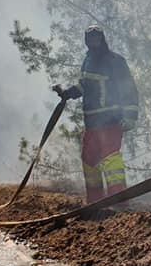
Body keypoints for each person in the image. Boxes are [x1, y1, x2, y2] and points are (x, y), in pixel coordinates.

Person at [54, 25, 139, 203]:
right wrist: (67, 93)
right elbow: (85, 85)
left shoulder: (115, 61)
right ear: (86, 41)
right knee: (89, 160)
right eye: (90, 39)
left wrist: (130, 116)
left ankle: (119, 201)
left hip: (110, 121)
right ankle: (95, 203)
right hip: (92, 123)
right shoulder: (88, 60)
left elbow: (128, 89)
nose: (93, 42)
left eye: (96, 38)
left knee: (110, 160)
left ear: (102, 39)